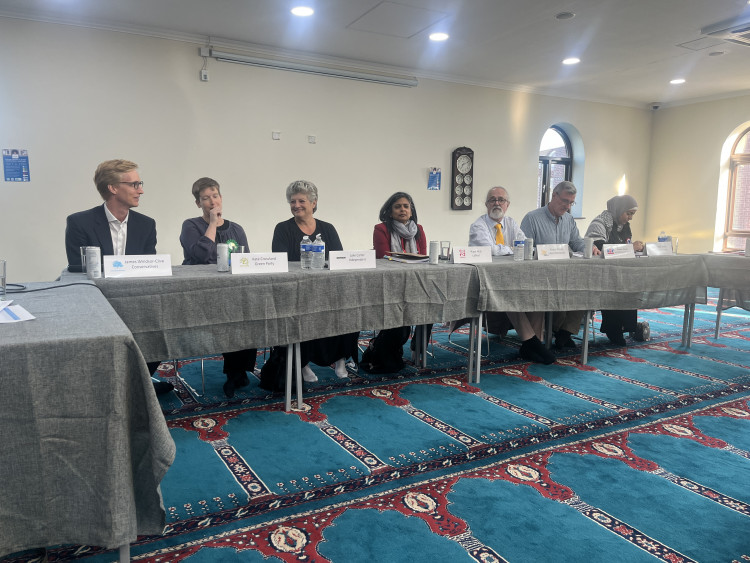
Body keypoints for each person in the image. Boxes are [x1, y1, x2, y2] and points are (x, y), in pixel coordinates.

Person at [64, 159, 173, 394]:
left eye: (140, 184)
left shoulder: (146, 225)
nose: (141, 190)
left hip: (136, 301)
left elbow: (148, 268)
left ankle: (138, 381)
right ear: (113, 188)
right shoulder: (79, 222)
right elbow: (78, 268)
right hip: (96, 303)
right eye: (135, 184)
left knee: (161, 321)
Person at [269, 180, 358, 384]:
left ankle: (340, 358)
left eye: (301, 200)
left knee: (352, 306)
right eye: (293, 201)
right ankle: (302, 363)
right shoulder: (282, 229)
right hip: (296, 292)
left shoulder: (328, 228)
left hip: (327, 290)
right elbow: (280, 262)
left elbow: (339, 259)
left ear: (313, 203)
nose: (296, 205)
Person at [179, 177, 258, 397]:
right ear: (198, 203)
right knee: (229, 314)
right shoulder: (191, 226)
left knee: (250, 311)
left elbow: (246, 261)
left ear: (221, 198)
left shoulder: (237, 229)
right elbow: (201, 256)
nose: (212, 201)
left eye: (215, 196)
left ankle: (238, 370)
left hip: (233, 291)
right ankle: (235, 372)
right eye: (205, 198)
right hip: (202, 292)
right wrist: (212, 224)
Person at [469, 186, 554, 364]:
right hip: (487, 284)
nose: (497, 203)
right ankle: (531, 342)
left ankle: (532, 343)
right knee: (508, 292)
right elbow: (488, 250)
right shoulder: (478, 225)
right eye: (492, 200)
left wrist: (511, 249)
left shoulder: (512, 223)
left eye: (501, 200)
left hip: (516, 277)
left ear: (507, 205)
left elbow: (525, 246)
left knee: (539, 292)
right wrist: (512, 249)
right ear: (486, 204)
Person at [520, 180, 601, 349]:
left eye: (571, 203)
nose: (568, 207)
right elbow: (523, 249)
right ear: (553, 196)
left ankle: (566, 331)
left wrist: (590, 248)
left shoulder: (569, 220)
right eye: (565, 201)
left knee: (585, 289)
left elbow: (577, 242)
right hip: (540, 276)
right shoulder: (532, 218)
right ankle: (558, 330)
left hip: (565, 274)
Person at [365, 192, 430, 372]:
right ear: (390, 211)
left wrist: (408, 260)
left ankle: (418, 346)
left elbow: (423, 257)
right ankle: (384, 348)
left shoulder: (419, 229)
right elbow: (383, 257)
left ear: (411, 210)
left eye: (406, 206)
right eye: (397, 206)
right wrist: (410, 259)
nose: (402, 209)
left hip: (416, 280)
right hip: (390, 282)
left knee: (432, 304)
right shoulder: (381, 229)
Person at [585, 194, 646, 345]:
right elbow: (600, 248)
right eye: (629, 213)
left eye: (633, 214)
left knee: (630, 283)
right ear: (619, 210)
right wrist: (630, 247)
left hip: (616, 271)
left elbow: (625, 246)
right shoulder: (599, 223)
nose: (630, 218)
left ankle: (625, 328)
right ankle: (614, 329)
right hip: (597, 272)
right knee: (615, 285)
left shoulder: (623, 226)